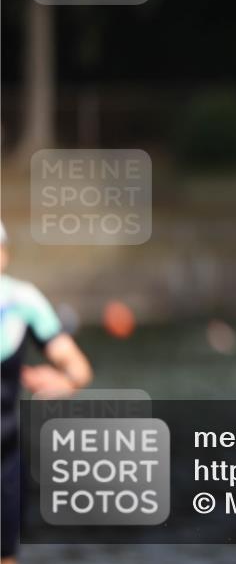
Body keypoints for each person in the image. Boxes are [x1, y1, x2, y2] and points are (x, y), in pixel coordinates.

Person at [0, 222, 93, 564]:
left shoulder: (22, 302)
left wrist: (61, 384)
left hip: (4, 456)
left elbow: (78, 369)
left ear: (4, 254)